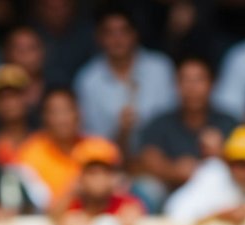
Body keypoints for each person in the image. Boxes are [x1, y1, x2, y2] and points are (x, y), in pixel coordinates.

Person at [72, 8, 176, 152]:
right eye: (109, 33)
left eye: (123, 31)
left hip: (163, 158)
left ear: (135, 34)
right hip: (108, 165)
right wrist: (120, 132)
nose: (117, 39)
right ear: (99, 38)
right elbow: (90, 140)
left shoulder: (160, 68)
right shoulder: (88, 80)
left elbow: (175, 121)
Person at [136, 55, 237, 197]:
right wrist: (173, 170)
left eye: (199, 80)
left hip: (220, 195)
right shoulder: (160, 122)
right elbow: (147, 159)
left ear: (212, 84)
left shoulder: (229, 123)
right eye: (185, 80)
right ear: (175, 85)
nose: (192, 88)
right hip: (172, 193)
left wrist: (222, 155)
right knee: (147, 187)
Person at [15, 87, 84, 203]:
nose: (62, 119)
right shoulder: (29, 154)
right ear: (44, 117)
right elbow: (37, 204)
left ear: (78, 113)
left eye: (67, 110)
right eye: (55, 112)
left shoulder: (99, 149)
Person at [0, 25, 46, 115]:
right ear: (6, 53)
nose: (24, 54)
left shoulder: (53, 83)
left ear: (42, 52)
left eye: (31, 48)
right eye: (19, 48)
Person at [0, 64, 33, 163]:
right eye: (3, 97)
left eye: (15, 96)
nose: (9, 103)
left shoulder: (43, 142)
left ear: (27, 98)